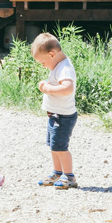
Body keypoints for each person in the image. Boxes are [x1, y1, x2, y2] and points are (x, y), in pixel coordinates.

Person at [32, 32, 79, 190]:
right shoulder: (58, 66)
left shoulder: (65, 69)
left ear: (52, 54)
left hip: (63, 116)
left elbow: (67, 88)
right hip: (55, 116)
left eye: (43, 62)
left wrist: (47, 88)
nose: (43, 65)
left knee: (61, 147)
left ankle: (69, 177)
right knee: (54, 146)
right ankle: (57, 172)